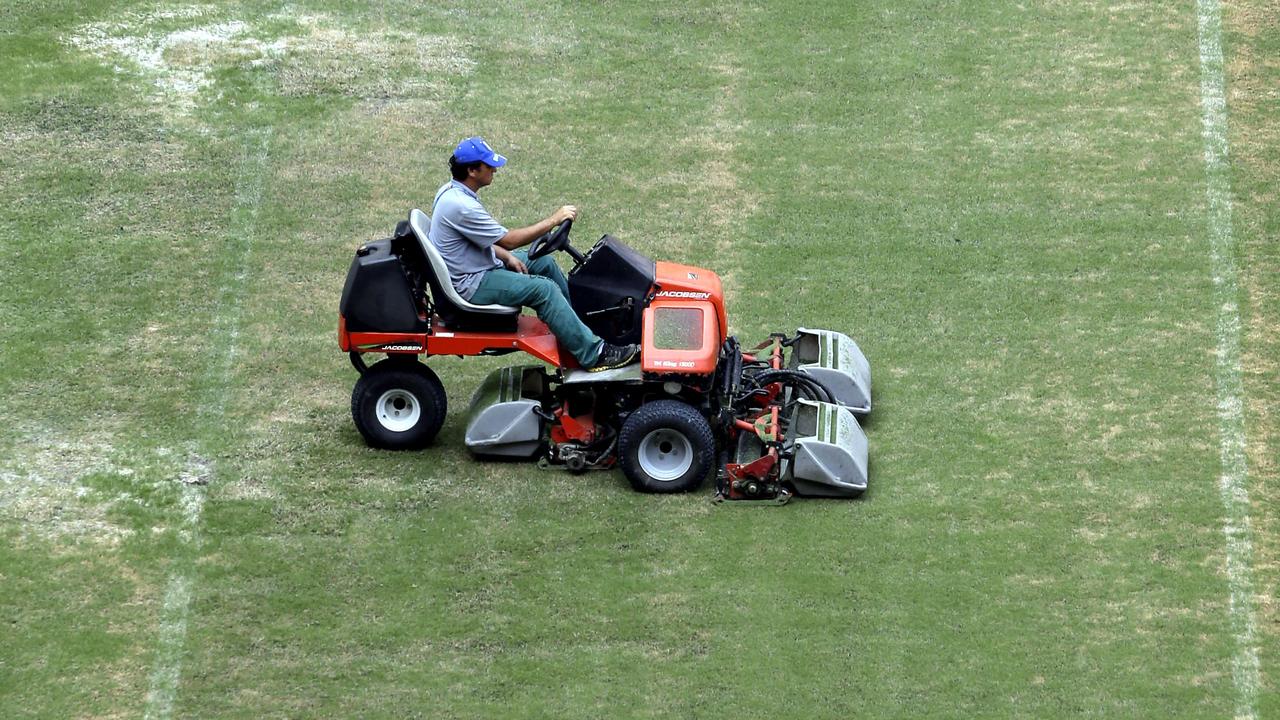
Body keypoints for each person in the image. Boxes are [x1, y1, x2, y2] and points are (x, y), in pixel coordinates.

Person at [428, 136, 639, 371]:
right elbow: (509, 240)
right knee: (544, 289)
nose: (495, 170)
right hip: (472, 283)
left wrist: (506, 257)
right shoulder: (461, 206)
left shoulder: (452, 192)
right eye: (489, 166)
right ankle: (594, 354)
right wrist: (553, 220)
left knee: (544, 262)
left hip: (478, 264)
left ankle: (580, 329)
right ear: (472, 170)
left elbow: (477, 242)